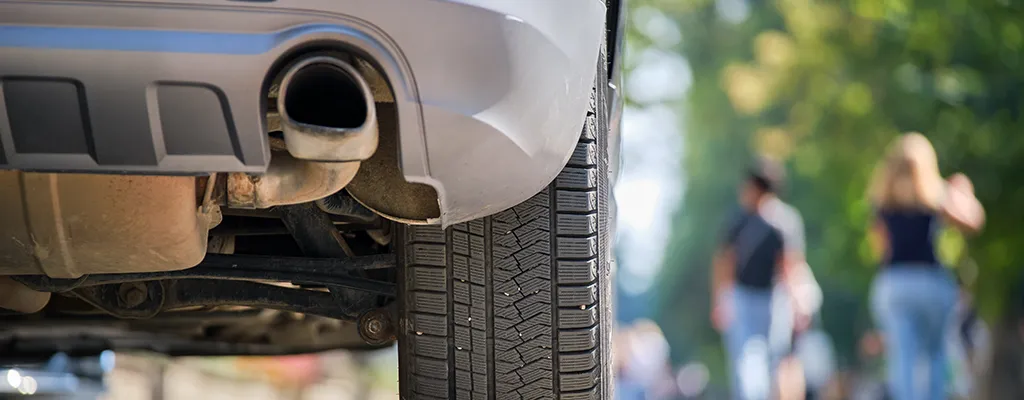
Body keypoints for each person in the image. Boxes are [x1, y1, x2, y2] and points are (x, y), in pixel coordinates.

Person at [867, 132, 985, 400]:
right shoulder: (936, 194)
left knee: (903, 357)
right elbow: (973, 221)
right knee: (935, 356)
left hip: (895, 283)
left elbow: (880, 248)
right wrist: (962, 192)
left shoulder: (882, 201)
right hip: (931, 282)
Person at [711, 157, 813, 400]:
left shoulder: (754, 220)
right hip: (755, 298)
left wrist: (721, 299)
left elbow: (725, 262)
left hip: (766, 298)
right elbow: (791, 265)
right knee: (762, 361)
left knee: (756, 362)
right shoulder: (780, 220)